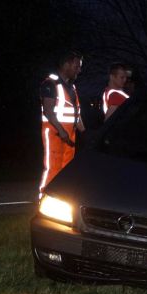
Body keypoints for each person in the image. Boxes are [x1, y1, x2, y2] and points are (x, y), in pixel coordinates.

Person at [38, 50, 84, 197]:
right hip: (54, 133)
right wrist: (61, 131)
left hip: (69, 135)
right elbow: (48, 111)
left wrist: (86, 133)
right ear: (66, 65)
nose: (79, 69)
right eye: (77, 66)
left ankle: (59, 198)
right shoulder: (50, 84)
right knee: (53, 167)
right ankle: (43, 198)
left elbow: (76, 114)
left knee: (66, 170)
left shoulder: (72, 87)